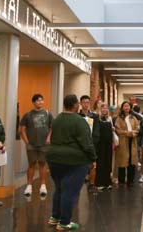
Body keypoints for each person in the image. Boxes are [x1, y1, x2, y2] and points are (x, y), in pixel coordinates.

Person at [46, 94, 97, 231]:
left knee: (59, 188)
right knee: (70, 191)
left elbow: (50, 138)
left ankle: (54, 217)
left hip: (53, 159)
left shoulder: (57, 120)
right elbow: (87, 144)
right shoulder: (79, 121)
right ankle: (64, 222)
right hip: (74, 161)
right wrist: (93, 159)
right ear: (75, 105)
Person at [20, 94, 54, 197]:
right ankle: (29, 185)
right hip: (32, 144)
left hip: (44, 144)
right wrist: (27, 142)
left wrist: (48, 138)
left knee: (43, 164)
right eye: (38, 101)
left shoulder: (48, 114)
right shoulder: (27, 115)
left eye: (41, 100)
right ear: (34, 102)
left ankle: (43, 185)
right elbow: (22, 129)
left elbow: (52, 128)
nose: (40, 102)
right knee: (31, 164)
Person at [115, 101, 140, 185]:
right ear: (122, 108)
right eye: (125, 106)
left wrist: (135, 132)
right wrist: (128, 133)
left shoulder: (133, 117)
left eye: (128, 106)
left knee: (131, 161)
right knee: (122, 161)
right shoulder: (119, 118)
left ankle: (130, 180)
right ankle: (121, 180)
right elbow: (117, 130)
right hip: (123, 141)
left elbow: (138, 127)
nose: (126, 108)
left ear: (130, 108)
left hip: (132, 141)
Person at [79, 95, 100, 190]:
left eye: (87, 102)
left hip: (91, 143)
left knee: (92, 165)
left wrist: (93, 141)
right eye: (84, 102)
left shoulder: (94, 116)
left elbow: (96, 130)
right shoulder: (77, 116)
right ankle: (79, 182)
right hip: (80, 144)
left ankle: (92, 184)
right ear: (80, 103)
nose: (86, 104)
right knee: (79, 165)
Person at [95, 103, 114, 191]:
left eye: (106, 108)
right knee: (100, 163)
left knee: (108, 162)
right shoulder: (97, 119)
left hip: (109, 144)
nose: (104, 110)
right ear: (100, 109)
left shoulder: (110, 119)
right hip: (100, 144)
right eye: (102, 108)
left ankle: (108, 182)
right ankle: (99, 183)